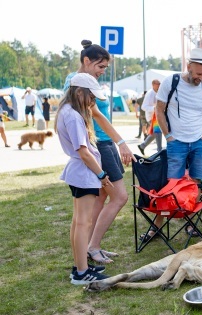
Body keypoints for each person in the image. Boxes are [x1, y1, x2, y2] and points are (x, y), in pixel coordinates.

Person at [64, 39, 135, 264]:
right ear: (86, 61)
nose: (103, 72)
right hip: (99, 145)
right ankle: (92, 246)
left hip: (106, 144)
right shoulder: (78, 85)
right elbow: (98, 117)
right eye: (100, 66)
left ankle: (89, 247)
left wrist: (118, 142)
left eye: (105, 68)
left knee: (102, 196)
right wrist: (121, 142)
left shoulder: (90, 82)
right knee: (120, 196)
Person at [140, 48, 202, 241]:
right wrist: (168, 136)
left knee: (197, 183)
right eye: (198, 73)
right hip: (176, 142)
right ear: (189, 66)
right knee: (171, 185)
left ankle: (190, 223)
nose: (201, 77)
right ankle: (157, 227)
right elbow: (159, 110)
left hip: (199, 142)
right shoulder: (171, 82)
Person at [55, 73, 111, 284]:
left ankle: (80, 267)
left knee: (79, 222)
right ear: (79, 93)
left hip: (79, 172)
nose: (92, 102)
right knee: (83, 223)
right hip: (84, 173)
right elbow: (84, 151)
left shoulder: (67, 111)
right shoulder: (73, 116)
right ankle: (81, 272)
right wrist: (102, 176)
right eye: (91, 97)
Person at [138, 80, 162, 155]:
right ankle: (159, 150)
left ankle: (142, 146)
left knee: (155, 133)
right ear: (153, 84)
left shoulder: (158, 92)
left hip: (157, 116)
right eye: (158, 84)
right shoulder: (150, 94)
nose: (159, 85)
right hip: (151, 117)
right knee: (158, 131)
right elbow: (143, 107)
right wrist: (154, 108)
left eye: (160, 84)